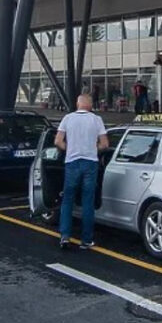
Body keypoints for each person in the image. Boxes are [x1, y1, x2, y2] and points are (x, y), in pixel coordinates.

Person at [54, 94, 109, 250]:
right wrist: (93, 149)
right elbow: (105, 144)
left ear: (78, 104)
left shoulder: (68, 118)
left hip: (72, 163)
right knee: (87, 202)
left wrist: (70, 149)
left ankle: (65, 236)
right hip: (90, 163)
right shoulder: (96, 120)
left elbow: (57, 141)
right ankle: (86, 240)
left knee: (67, 200)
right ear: (90, 106)